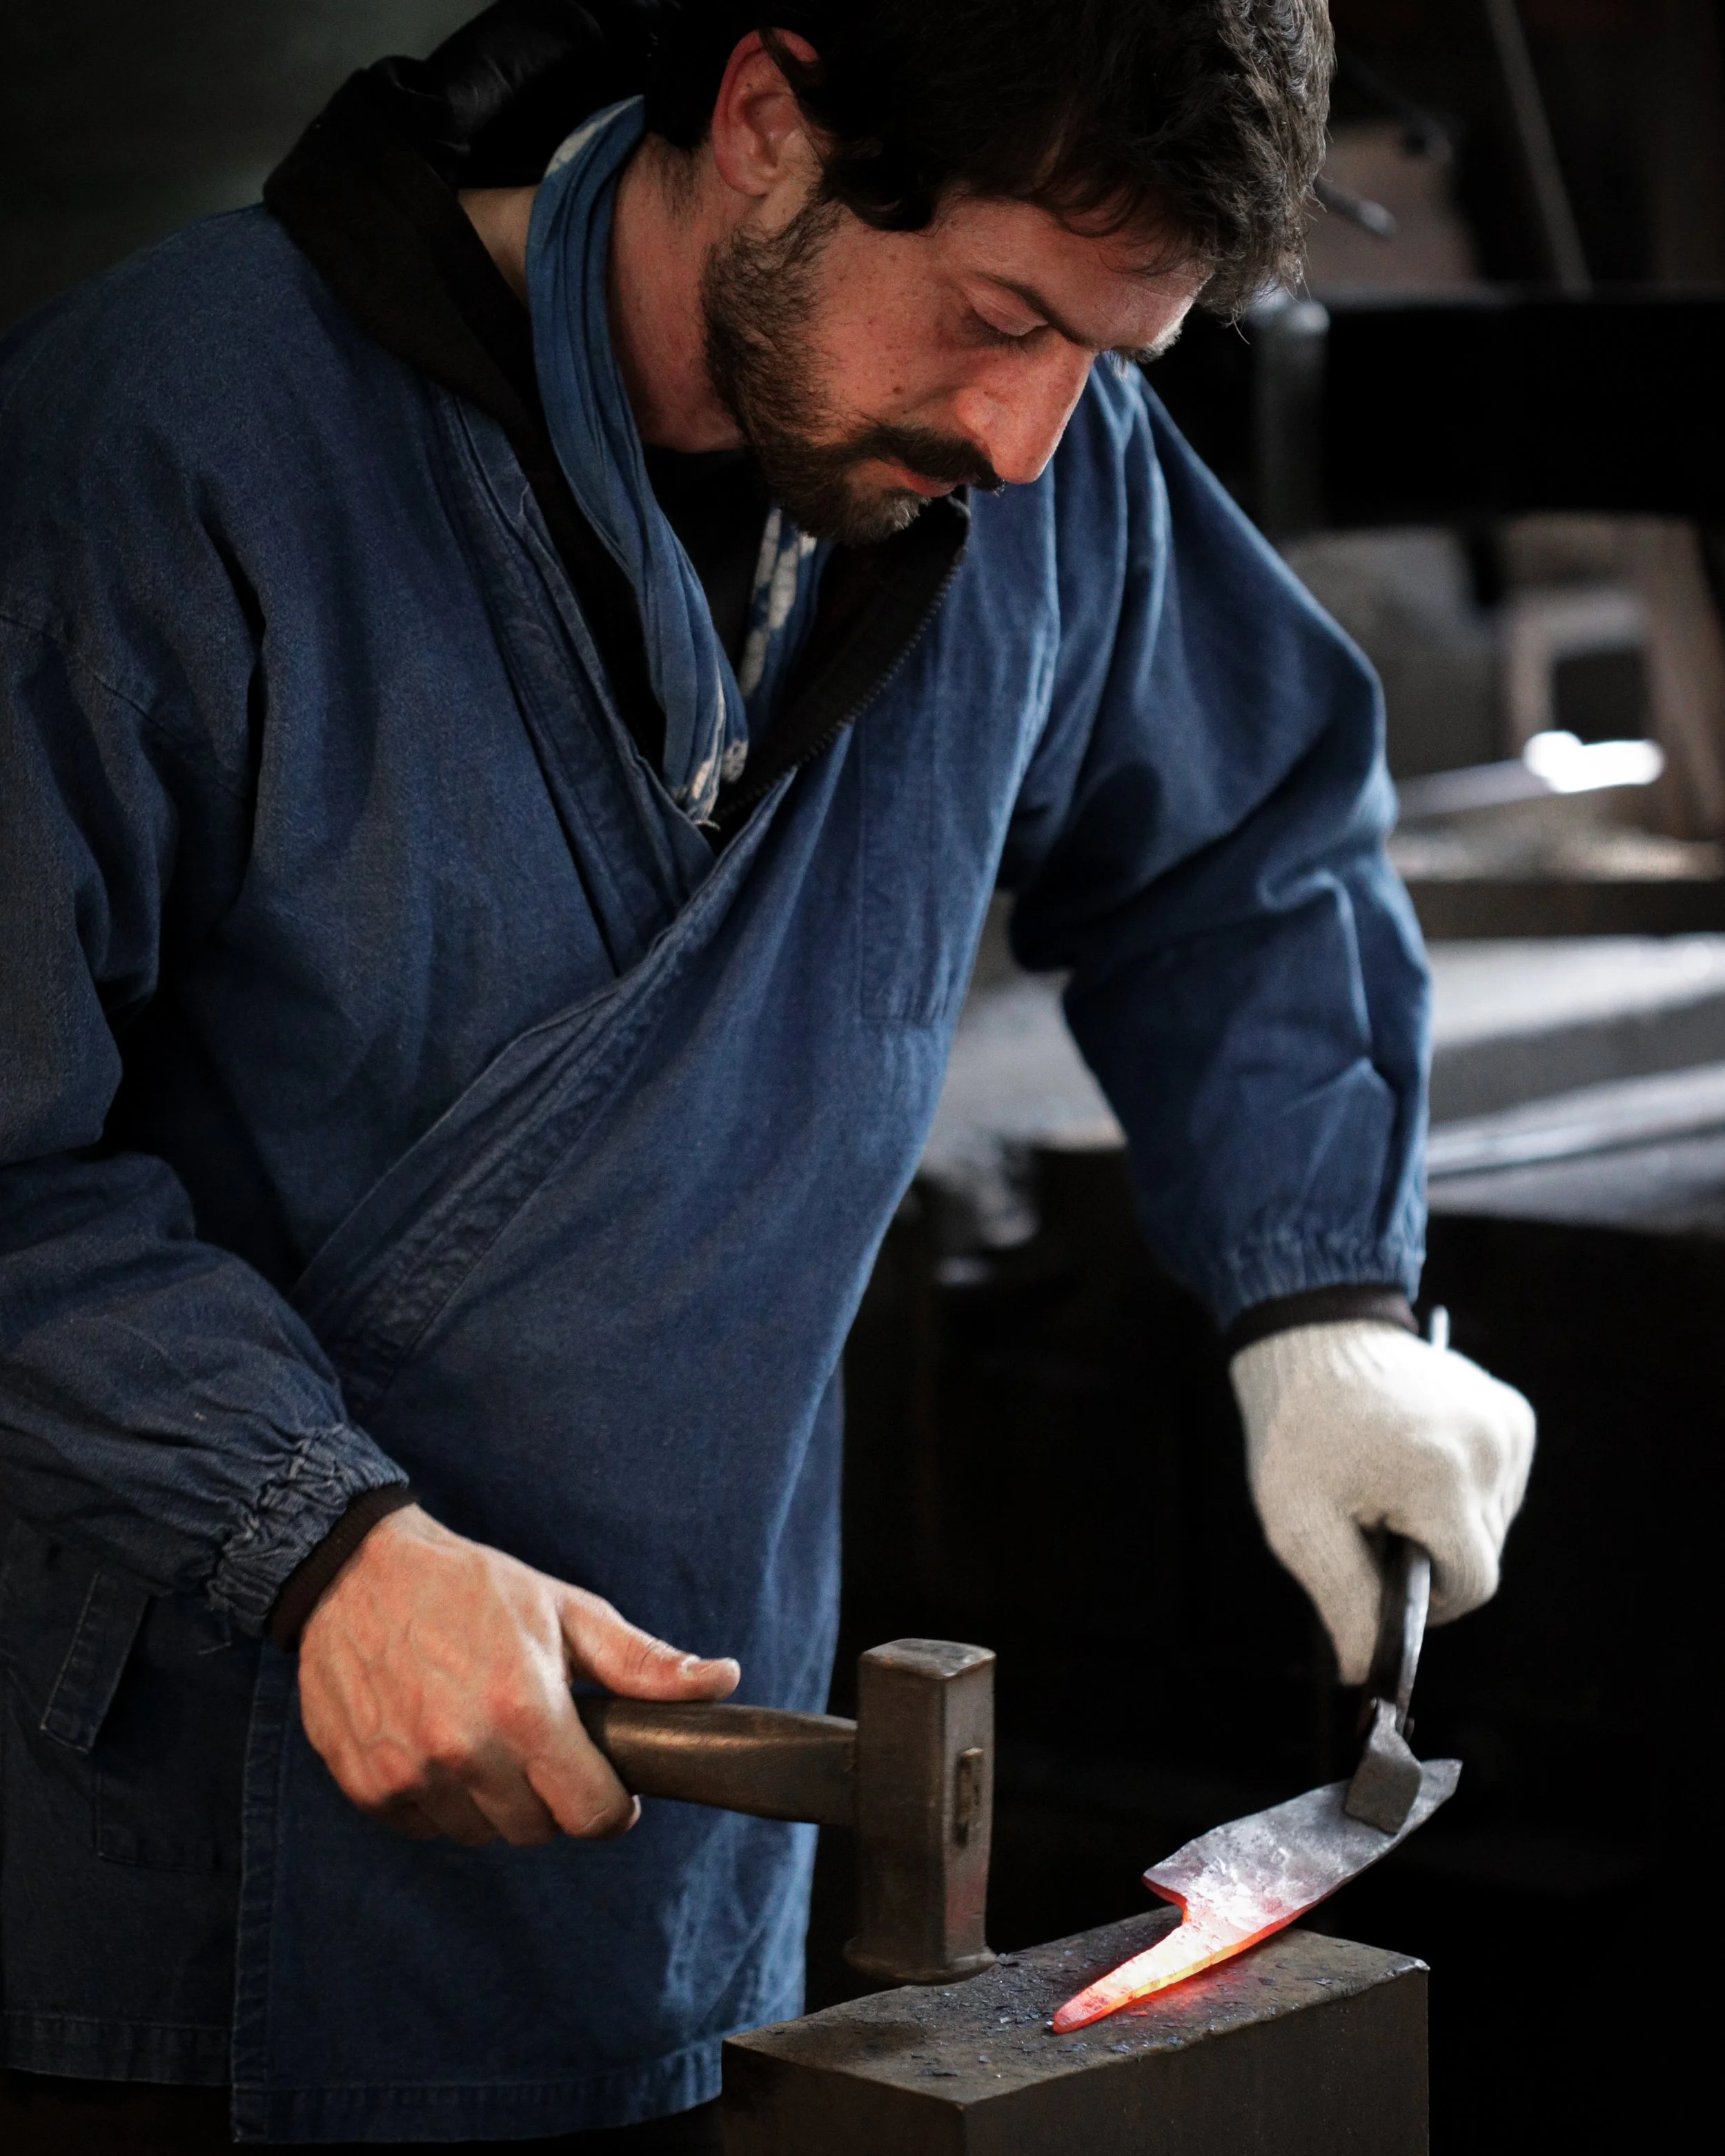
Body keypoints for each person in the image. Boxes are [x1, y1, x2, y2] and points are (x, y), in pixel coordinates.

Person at [0, 1, 1535, 2146]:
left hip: (682, 1885)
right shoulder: (170, 438)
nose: (1025, 437)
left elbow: (1241, 853)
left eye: (1105, 357)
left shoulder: (1045, 464)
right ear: (763, 122)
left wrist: (1321, 1298)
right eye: (997, 315)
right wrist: (312, 1538)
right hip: (161, 1895)